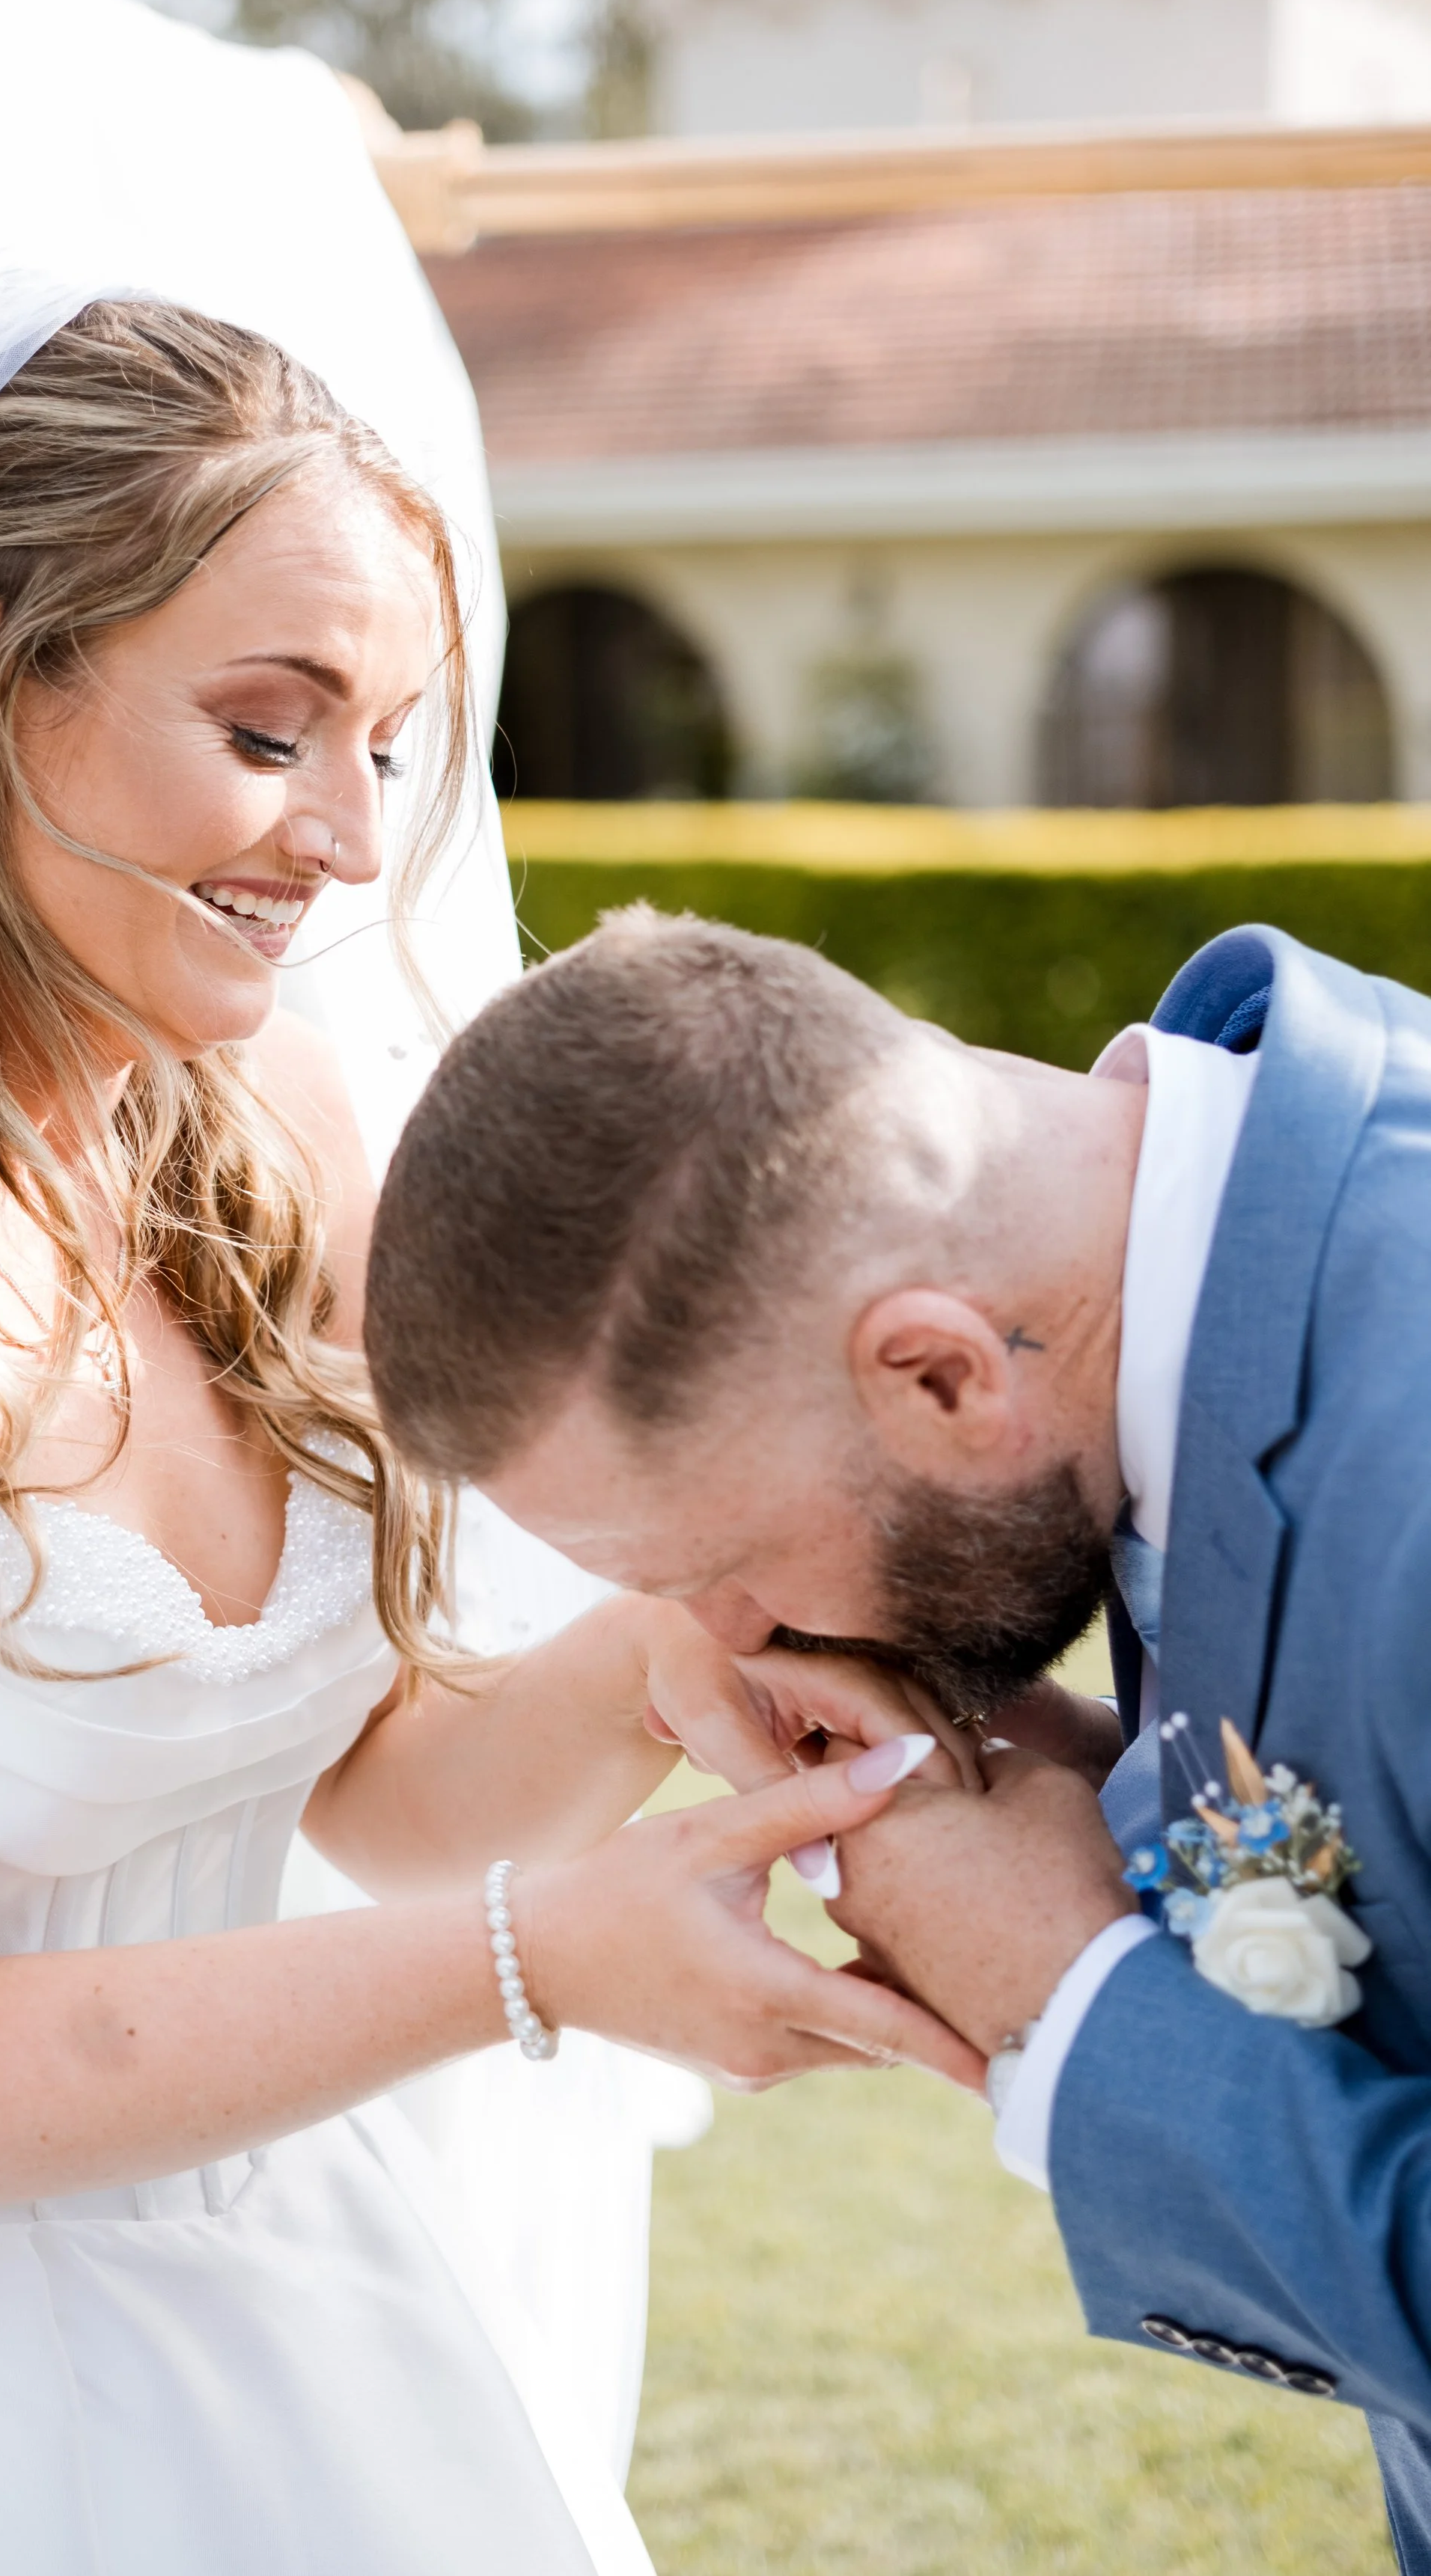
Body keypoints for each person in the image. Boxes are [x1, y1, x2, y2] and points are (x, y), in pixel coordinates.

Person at [0, 296, 983, 2575]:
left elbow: (373, 1784)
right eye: (264, 728)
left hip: (284, 2335)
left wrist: (664, 1655)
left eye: (390, 748)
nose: (339, 838)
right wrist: (539, 1956)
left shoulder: (262, 1127)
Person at [363, 903, 1431, 2575]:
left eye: (714, 1566)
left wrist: (1073, 2006)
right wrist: (1110, 1778)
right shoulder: (1227, 1255)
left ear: (936, 1377)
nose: (718, 1635)